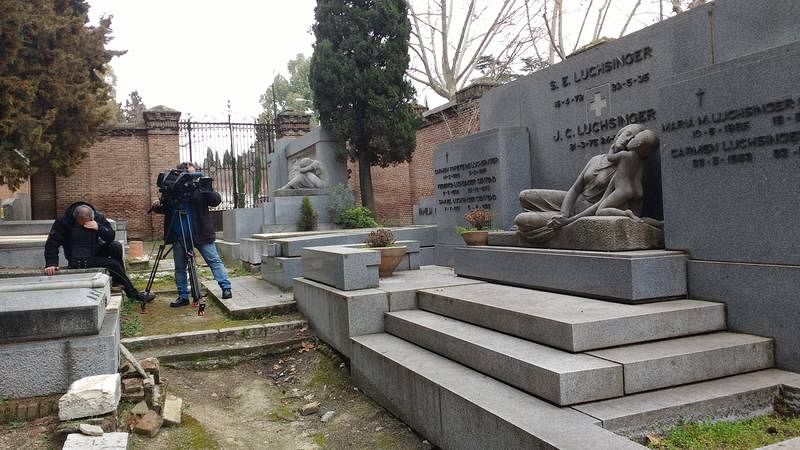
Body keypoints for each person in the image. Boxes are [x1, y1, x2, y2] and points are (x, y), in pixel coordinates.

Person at [514, 123, 647, 242]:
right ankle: (551, 216)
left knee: (521, 219)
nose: (628, 139)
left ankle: (542, 220)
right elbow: (575, 189)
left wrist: (569, 220)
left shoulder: (624, 168)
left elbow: (603, 203)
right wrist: (564, 214)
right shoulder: (596, 159)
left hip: (588, 210)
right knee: (525, 195)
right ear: (619, 134)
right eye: (627, 134)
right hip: (574, 202)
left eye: (632, 138)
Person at [152, 162, 232, 307]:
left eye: (195, 173)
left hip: (201, 233)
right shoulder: (173, 189)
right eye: (191, 174)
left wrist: (206, 188)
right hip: (179, 235)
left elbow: (216, 201)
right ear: (181, 175)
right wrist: (158, 205)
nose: (195, 177)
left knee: (214, 260)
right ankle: (183, 296)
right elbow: (166, 208)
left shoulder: (200, 187)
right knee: (180, 267)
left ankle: (226, 288)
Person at [44, 202, 155, 303]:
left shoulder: (98, 217)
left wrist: (99, 227)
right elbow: (52, 243)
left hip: (94, 250)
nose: (84, 225)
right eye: (81, 222)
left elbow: (110, 236)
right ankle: (133, 294)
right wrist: (51, 263)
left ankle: (118, 281)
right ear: (75, 218)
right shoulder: (63, 222)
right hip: (78, 258)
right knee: (113, 265)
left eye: (87, 222)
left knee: (115, 246)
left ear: (92, 217)